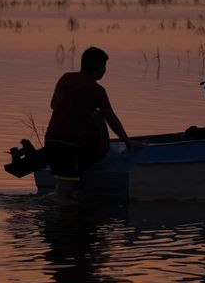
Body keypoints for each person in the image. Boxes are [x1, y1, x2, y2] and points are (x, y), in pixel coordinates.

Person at [45, 46, 140, 199]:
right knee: (65, 191)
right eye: (104, 67)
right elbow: (111, 118)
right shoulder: (97, 90)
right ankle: (61, 214)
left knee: (65, 183)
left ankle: (65, 209)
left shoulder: (66, 78)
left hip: (51, 139)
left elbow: (53, 105)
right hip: (69, 144)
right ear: (99, 68)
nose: (105, 71)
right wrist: (127, 141)